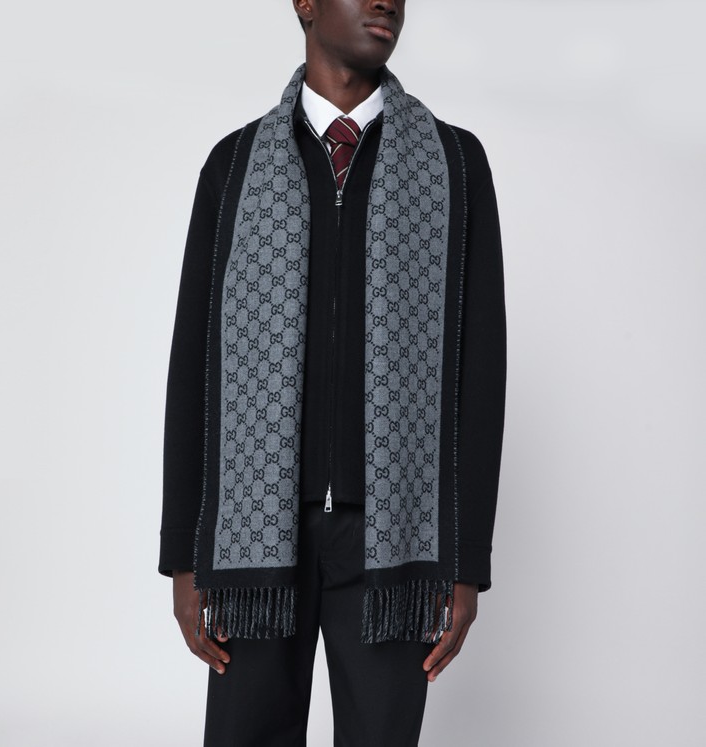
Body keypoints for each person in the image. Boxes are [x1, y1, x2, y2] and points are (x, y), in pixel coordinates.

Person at [158, 0, 507, 744]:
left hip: (397, 541)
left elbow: (481, 371)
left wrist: (465, 561)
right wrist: (184, 555)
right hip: (253, 536)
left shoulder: (453, 164)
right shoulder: (234, 165)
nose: (386, 2)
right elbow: (194, 362)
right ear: (305, 4)